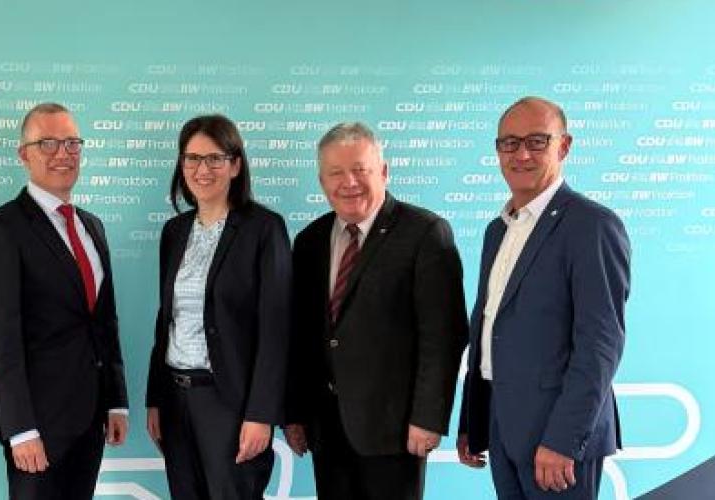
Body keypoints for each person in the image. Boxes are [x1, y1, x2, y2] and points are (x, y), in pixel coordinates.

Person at [457, 96, 630, 499]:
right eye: (509, 143)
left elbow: (600, 344)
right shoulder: (497, 230)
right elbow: (488, 330)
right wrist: (474, 420)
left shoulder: (592, 226)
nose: (521, 154)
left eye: (537, 141)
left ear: (563, 146)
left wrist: (564, 439)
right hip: (503, 424)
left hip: (557, 439)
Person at [283, 122, 468, 499]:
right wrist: (295, 412)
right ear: (322, 181)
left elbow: (444, 337)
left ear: (383, 172)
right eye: (336, 173)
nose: (348, 182)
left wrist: (428, 419)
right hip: (327, 429)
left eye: (360, 170)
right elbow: (302, 336)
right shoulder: (309, 241)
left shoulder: (425, 233)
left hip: (396, 432)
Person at [0, 102, 129, 499]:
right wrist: (20, 429)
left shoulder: (92, 226)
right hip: (35, 425)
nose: (64, 153)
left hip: (90, 417)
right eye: (49, 143)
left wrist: (117, 401)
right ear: (24, 154)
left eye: (73, 143)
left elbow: (104, 321)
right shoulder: (0, 229)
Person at [144, 114, 291, 499]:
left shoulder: (264, 229)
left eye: (214, 158)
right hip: (176, 400)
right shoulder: (174, 232)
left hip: (230, 402)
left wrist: (260, 414)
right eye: (191, 158)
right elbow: (167, 321)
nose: (201, 169)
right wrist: (155, 398)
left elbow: (276, 330)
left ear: (235, 164)